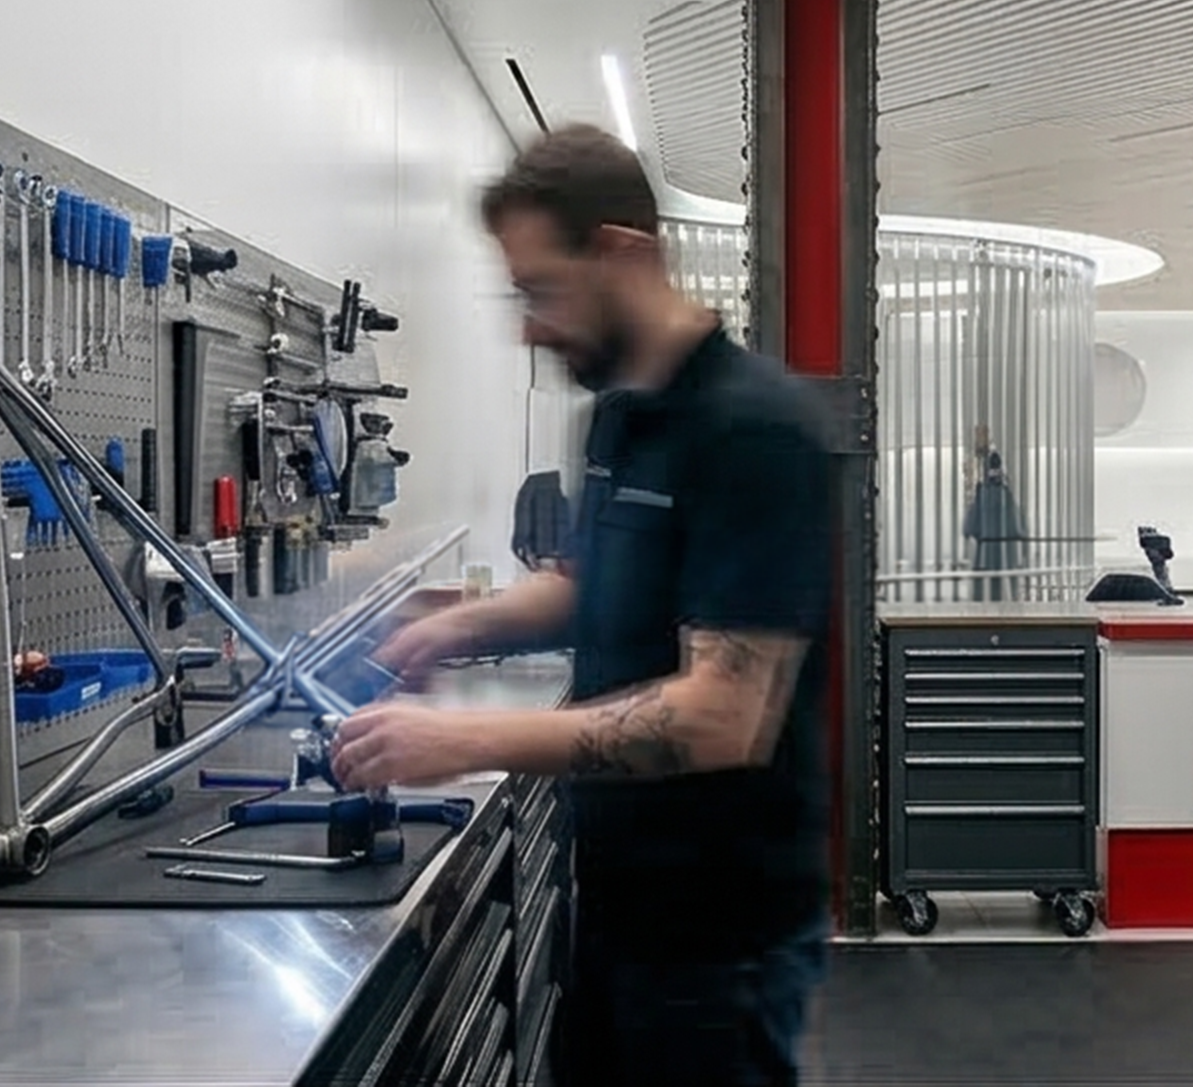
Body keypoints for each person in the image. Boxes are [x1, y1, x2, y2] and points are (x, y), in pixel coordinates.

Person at [332, 124, 836, 1085]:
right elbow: (591, 582)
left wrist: (465, 742)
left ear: (621, 253)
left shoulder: (754, 431)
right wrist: (455, 625)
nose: (528, 329)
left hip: (719, 945)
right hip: (616, 904)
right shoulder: (618, 414)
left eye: (539, 292)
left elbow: (722, 715)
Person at [964, 448, 1026, 601]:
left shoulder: (981, 495)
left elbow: (969, 527)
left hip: (983, 559)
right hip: (1005, 559)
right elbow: (1017, 528)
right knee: (1004, 598)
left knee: (982, 599)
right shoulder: (1007, 496)